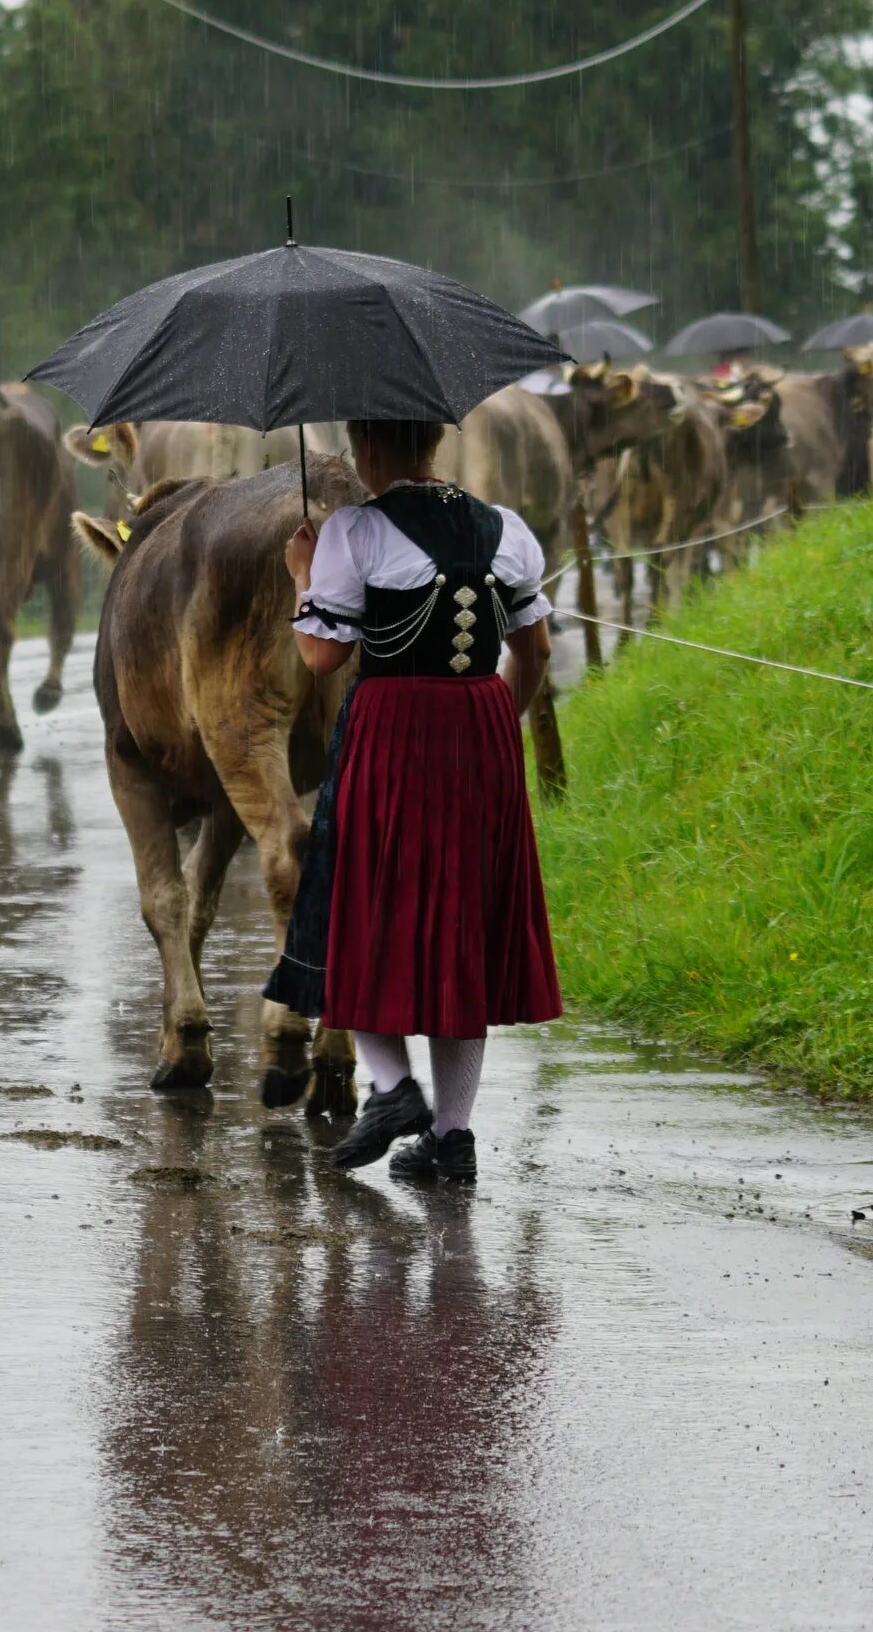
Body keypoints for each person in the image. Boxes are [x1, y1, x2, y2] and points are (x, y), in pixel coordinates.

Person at [265, 419, 564, 1182]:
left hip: (392, 729)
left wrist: (303, 574)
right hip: (484, 728)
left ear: (367, 447)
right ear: (432, 440)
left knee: (363, 905)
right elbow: (535, 651)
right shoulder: (508, 529)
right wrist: (492, 718)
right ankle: (453, 1138)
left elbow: (324, 654)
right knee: (462, 923)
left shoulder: (354, 531)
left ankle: (394, 1089)